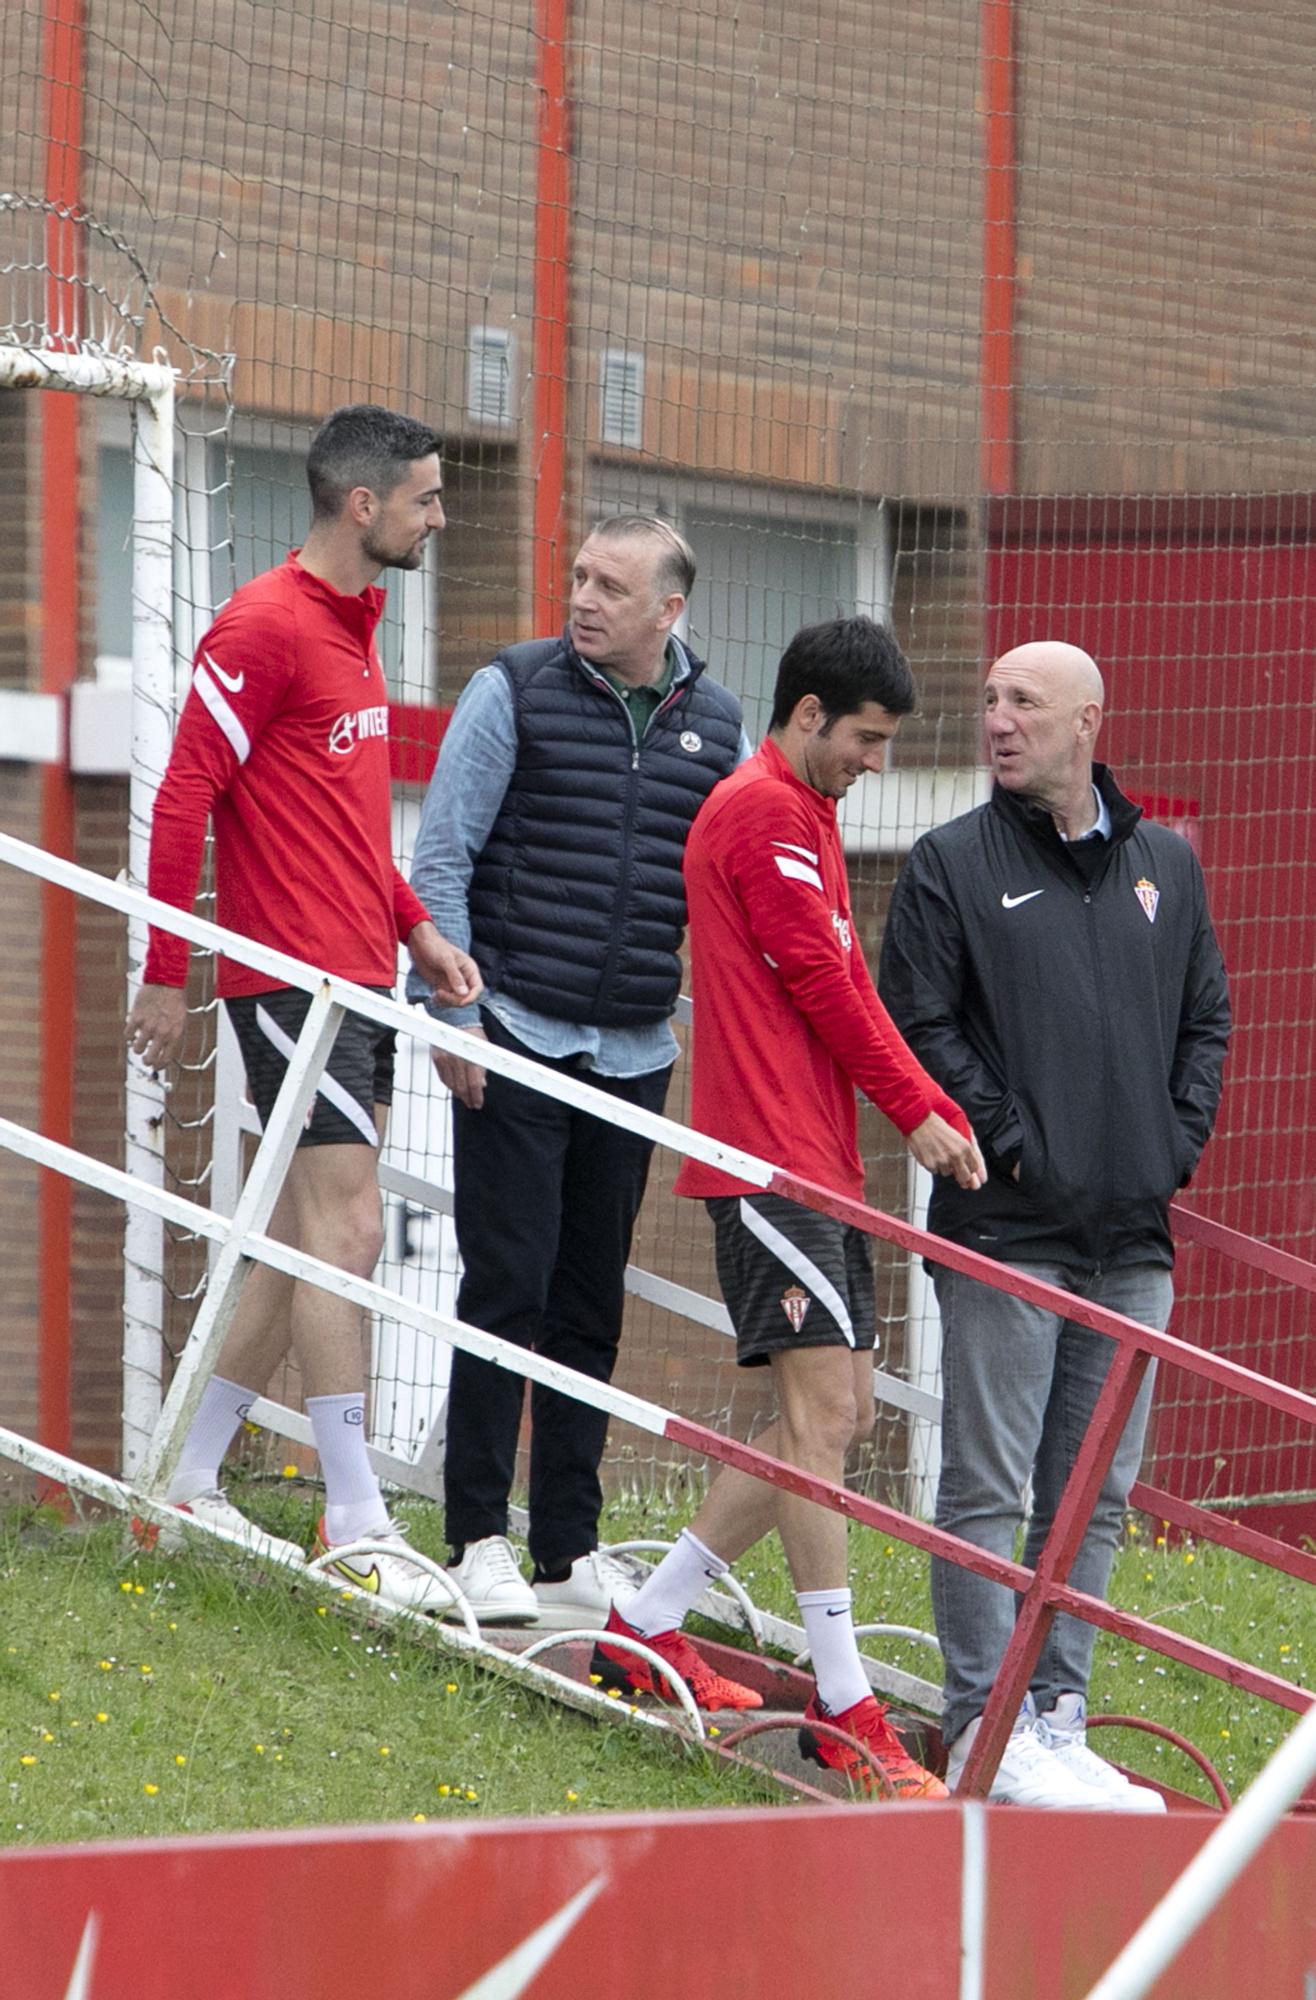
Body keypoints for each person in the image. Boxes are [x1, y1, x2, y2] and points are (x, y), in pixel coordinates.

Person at [593, 616, 985, 1798]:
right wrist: (916, 1103)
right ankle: (842, 1704)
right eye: (864, 738)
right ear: (807, 712)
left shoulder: (800, 809)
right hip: (764, 1160)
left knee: (840, 1410)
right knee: (821, 1422)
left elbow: (841, 976)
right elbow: (823, 985)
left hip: (808, 1160)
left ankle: (645, 1622)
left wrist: (905, 1109)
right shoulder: (761, 807)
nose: (875, 762)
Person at [125, 403, 481, 1611]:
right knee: (351, 1230)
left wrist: (415, 926)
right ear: (362, 505)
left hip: (359, 974)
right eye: (428, 498)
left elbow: (343, 819)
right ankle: (355, 1515)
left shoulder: (360, 624)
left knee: (297, 1238)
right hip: (290, 982)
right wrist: (167, 971)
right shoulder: (265, 623)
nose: (443, 515)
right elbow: (183, 799)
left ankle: (185, 1474)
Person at [878, 639, 1231, 1809]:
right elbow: (918, 1023)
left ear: (1086, 719)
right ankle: (984, 1722)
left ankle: (1057, 1714)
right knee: (988, 1484)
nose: (996, 719)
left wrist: (1164, 1151)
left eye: (1021, 701)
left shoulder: (1162, 869)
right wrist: (1014, 1139)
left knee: (1095, 1490)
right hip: (1005, 1231)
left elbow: (1205, 1021)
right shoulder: (946, 863)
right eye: (985, 700)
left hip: (1129, 1243)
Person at [409, 515, 746, 1628]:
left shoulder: (719, 722)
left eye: (611, 585)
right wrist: (452, 1017)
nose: (584, 597)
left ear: (669, 611)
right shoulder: (510, 687)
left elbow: (734, 891)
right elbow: (443, 854)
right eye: (579, 575)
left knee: (588, 1304)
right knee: (504, 1285)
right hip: (510, 1033)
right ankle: (474, 1537)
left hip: (635, 1050)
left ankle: (566, 1547)